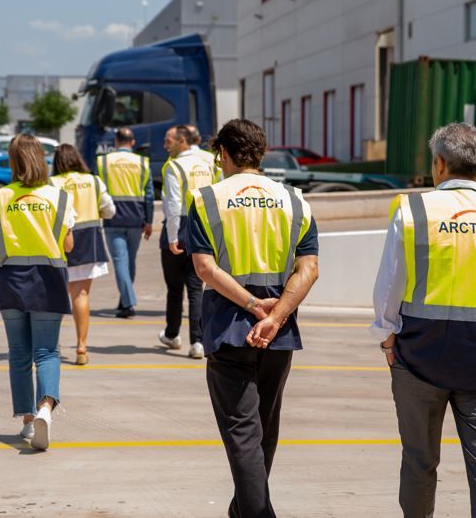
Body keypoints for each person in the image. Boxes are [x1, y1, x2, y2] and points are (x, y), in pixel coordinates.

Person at [371, 122, 476, 518]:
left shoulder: (413, 210)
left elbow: (388, 286)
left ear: (440, 163)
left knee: (419, 461)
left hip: (418, 354)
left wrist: (386, 337)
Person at [189, 118, 319, 517]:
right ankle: (242, 509)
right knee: (263, 430)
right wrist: (275, 314)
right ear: (261, 154)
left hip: (230, 327)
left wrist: (251, 306)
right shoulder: (296, 200)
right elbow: (309, 268)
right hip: (278, 332)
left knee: (243, 434)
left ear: (224, 154)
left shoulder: (208, 199)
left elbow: (205, 269)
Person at [0, 133, 75, 450]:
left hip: (10, 276)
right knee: (47, 351)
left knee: (19, 352)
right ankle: (45, 410)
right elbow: (68, 245)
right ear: (42, 158)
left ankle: (26, 421)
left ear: (12, 161)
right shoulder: (59, 196)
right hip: (48, 276)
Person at [51, 143, 116, 365]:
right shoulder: (93, 181)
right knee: (81, 295)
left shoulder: (53, 183)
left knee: (56, 296)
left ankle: (52, 344)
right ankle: (81, 347)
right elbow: (109, 210)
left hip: (60, 241)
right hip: (89, 240)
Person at [158, 125, 214, 359]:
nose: (166, 145)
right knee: (195, 288)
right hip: (203, 223)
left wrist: (172, 237)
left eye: (169, 140)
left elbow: (172, 204)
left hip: (180, 224)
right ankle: (198, 341)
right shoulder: (208, 162)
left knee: (174, 288)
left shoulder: (175, 166)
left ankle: (172, 334)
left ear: (182, 141)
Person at [97, 126, 154, 318]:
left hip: (113, 218)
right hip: (136, 218)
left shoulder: (103, 161)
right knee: (130, 261)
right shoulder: (143, 162)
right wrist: (149, 221)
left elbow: (99, 191)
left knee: (120, 262)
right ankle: (125, 301)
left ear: (115, 142)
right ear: (133, 142)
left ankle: (128, 303)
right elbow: (149, 195)